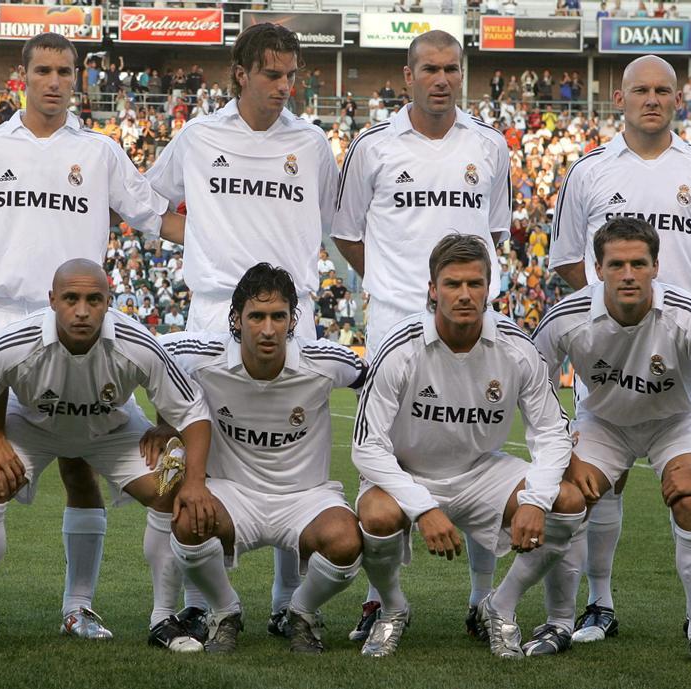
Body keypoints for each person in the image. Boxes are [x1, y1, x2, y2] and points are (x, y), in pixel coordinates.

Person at [0, 33, 182, 649]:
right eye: (44, 70)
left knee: (85, 468)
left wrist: (238, 237)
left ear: (78, 79)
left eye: (66, 71)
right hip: (1, 326)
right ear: (23, 76)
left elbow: (156, 218)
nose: (55, 81)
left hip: (83, 325)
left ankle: (79, 607)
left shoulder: (100, 153)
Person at [144, 23, 340, 623]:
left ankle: (286, 602)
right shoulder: (199, 135)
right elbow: (150, 205)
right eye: (272, 74)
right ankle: (197, 607)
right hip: (211, 312)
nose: (284, 87)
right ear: (241, 73)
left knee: (296, 461)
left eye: (291, 76)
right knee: (193, 461)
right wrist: (199, 238)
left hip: (290, 319)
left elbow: (331, 220)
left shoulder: (310, 143)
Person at [548, 55, 691, 646]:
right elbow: (565, 261)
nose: (652, 99)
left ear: (677, 99)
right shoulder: (586, 172)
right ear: (620, 98)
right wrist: (616, 316)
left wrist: (672, 307)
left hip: (679, 363)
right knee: (596, 487)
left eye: (663, 90)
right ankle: (599, 606)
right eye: (641, 90)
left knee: (688, 488)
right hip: (608, 368)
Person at [331, 30, 512, 640]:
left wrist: (457, 296)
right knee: (382, 455)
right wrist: (394, 283)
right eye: (430, 69)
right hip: (393, 324)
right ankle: (383, 602)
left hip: (471, 324)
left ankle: (485, 602)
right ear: (407, 77)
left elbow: (495, 235)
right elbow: (349, 234)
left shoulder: (489, 146)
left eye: (452, 70)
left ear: (463, 75)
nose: (442, 79)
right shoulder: (372, 147)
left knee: (478, 448)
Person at [0, 259, 212, 653]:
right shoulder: (17, 339)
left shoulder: (136, 341)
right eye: (71, 299)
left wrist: (179, 450)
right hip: (32, 425)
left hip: (110, 428)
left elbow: (193, 410)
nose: (82, 310)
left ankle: (160, 617)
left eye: (94, 300)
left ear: (109, 301)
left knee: (171, 484)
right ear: (51, 300)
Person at [352, 234, 584, 659]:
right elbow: (367, 447)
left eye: (474, 284)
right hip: (409, 470)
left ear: (488, 289)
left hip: (481, 471)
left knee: (566, 502)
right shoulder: (400, 348)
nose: (464, 295)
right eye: (453, 284)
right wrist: (422, 507)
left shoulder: (517, 348)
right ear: (432, 289)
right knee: (377, 514)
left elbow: (552, 432)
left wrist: (536, 498)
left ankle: (500, 605)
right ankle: (392, 608)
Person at [533, 218, 691, 664]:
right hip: (604, 421)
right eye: (616, 264)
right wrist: (566, 456)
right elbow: (530, 389)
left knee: (690, 502)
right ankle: (562, 621)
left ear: (656, 266)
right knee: (567, 498)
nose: (628, 274)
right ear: (597, 269)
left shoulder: (688, 314)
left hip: (675, 419)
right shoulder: (566, 317)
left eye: (639, 263)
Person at [160, 263, 367, 654]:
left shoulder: (325, 361)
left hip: (306, 496)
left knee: (346, 540)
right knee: (187, 519)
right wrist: (160, 424)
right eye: (257, 316)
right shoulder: (202, 355)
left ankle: (301, 614)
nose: (268, 329)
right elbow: (147, 356)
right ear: (236, 319)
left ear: (293, 320)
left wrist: (372, 444)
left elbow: (372, 379)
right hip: (232, 493)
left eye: (278, 316)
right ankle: (225, 612)